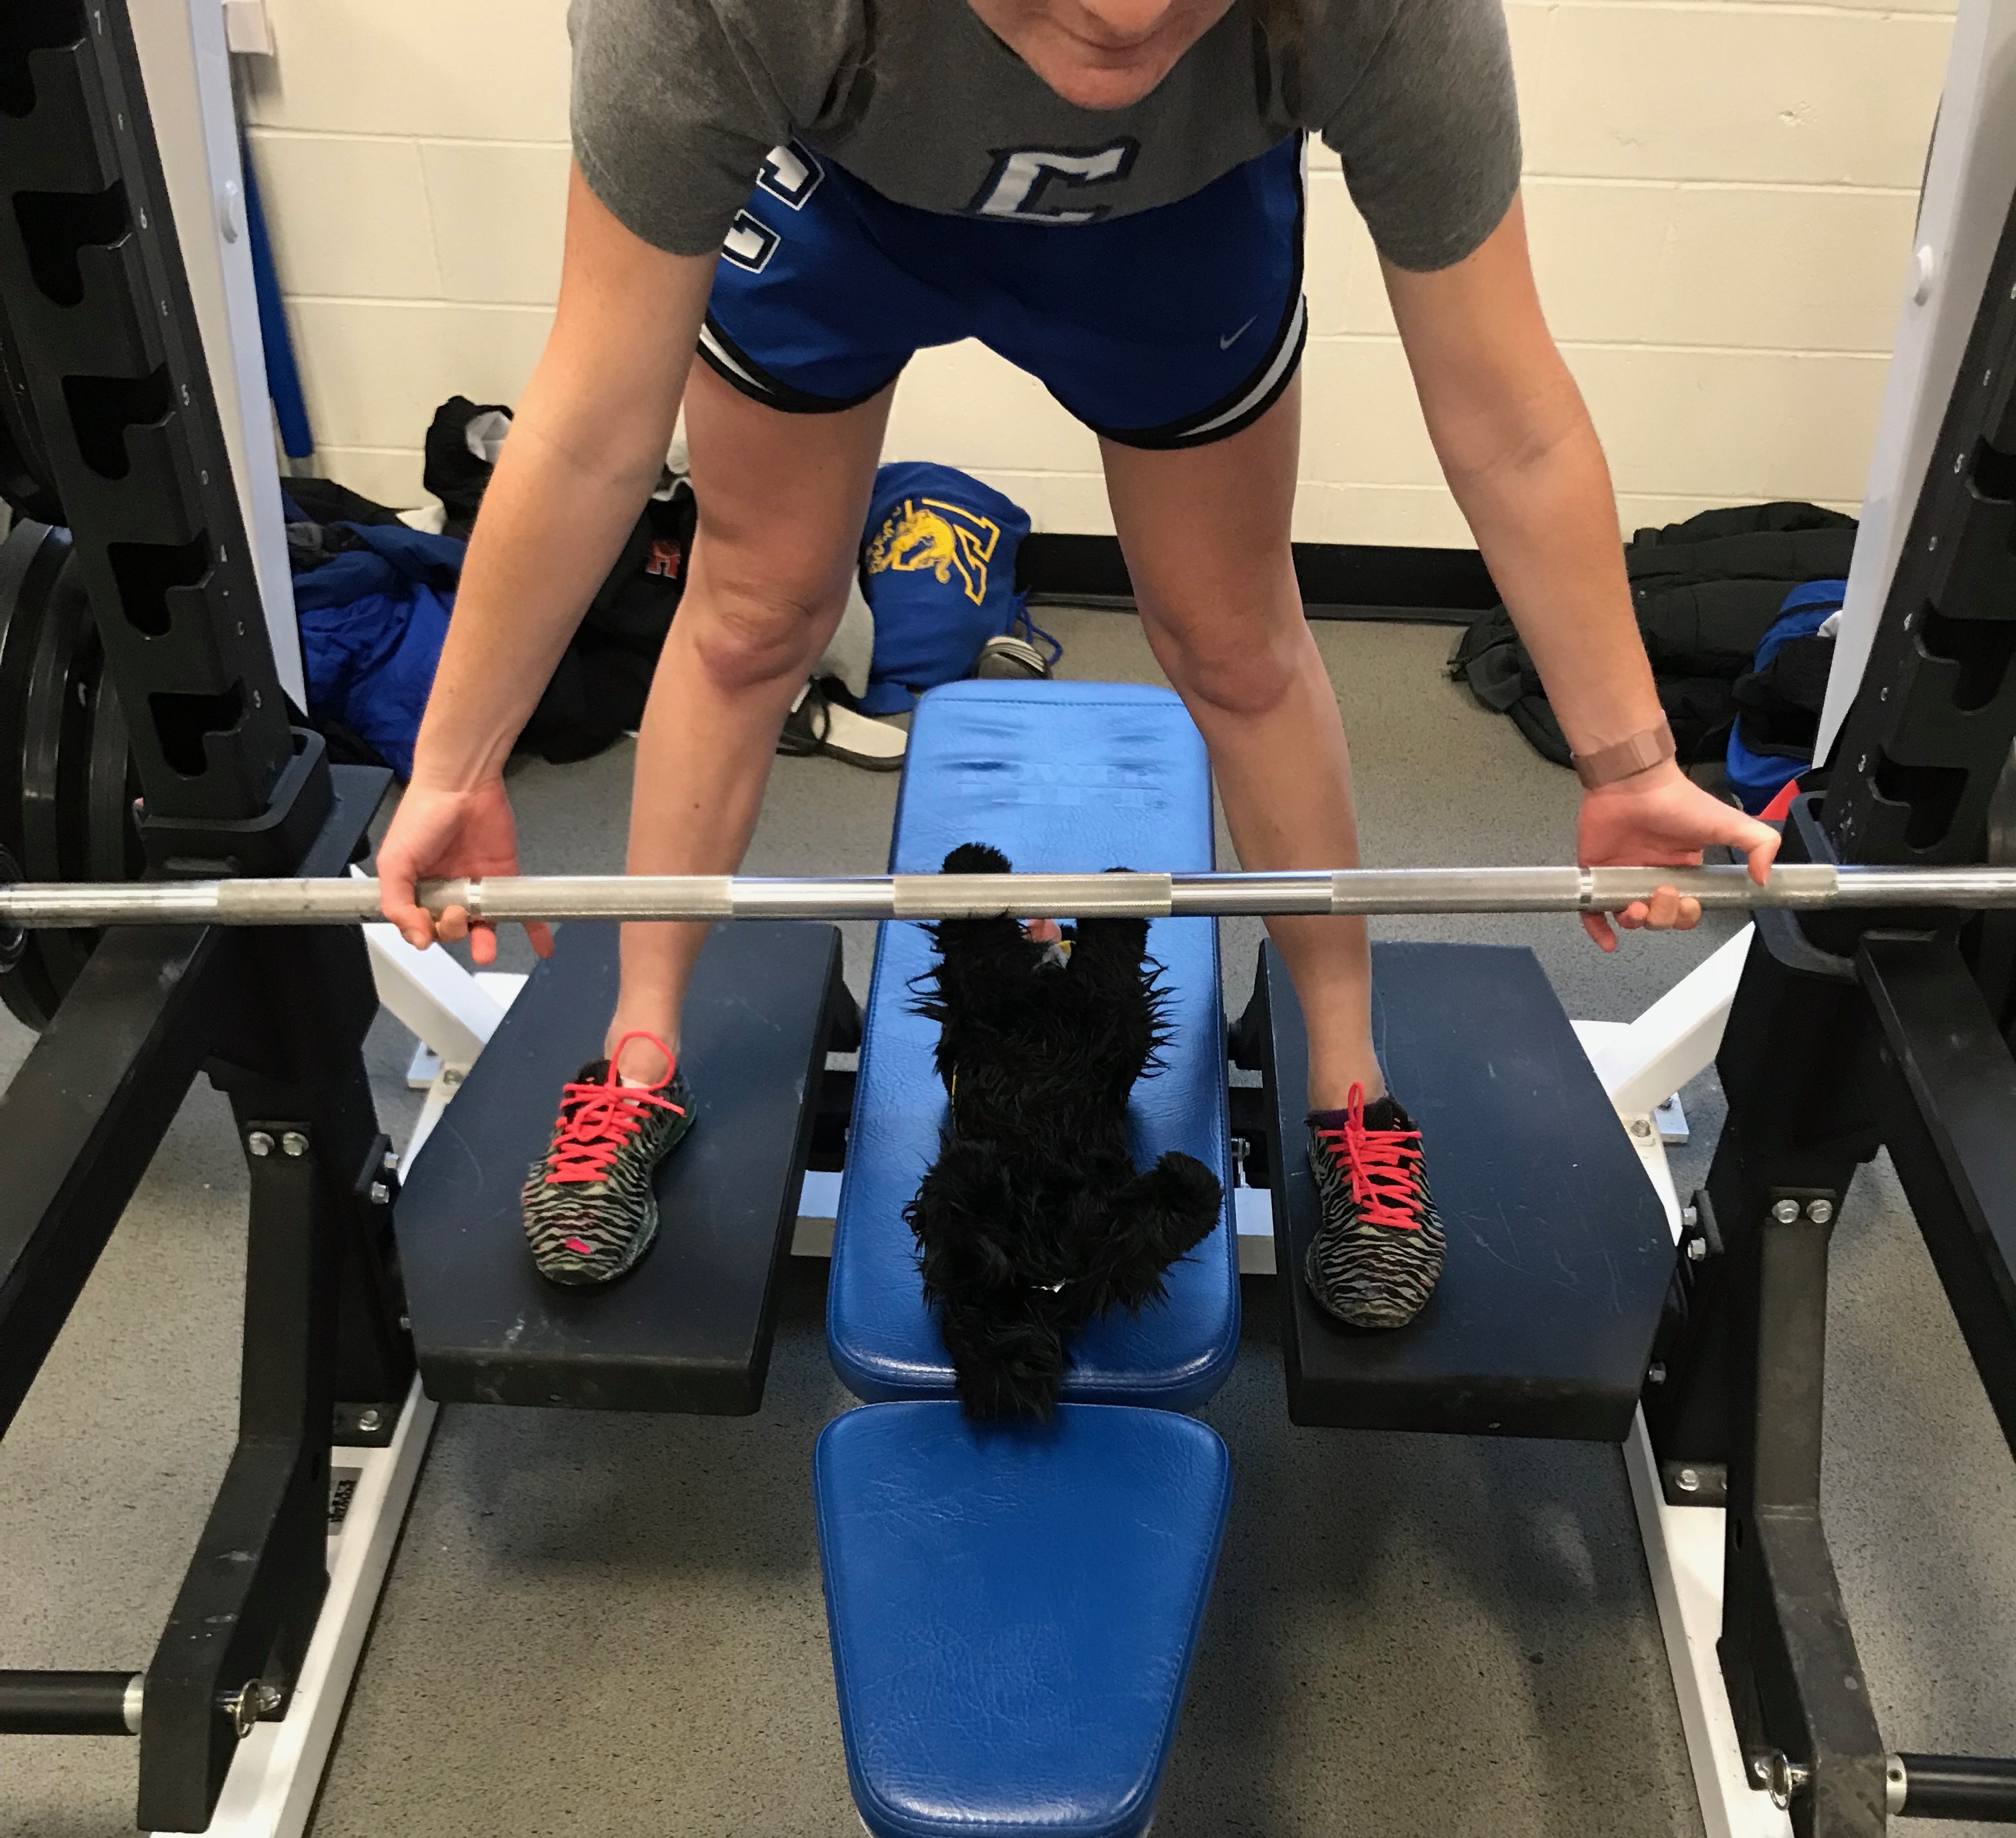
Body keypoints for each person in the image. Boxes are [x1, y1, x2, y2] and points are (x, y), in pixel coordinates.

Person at [378, 0, 1778, 1323]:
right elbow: (587, 429)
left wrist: (1630, 758)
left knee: (1235, 645)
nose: (1118, 18)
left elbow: (1509, 420)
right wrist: (456, 759)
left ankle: (1349, 1091)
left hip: (1173, 226)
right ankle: (639, 1056)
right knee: (750, 615)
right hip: (838, 208)